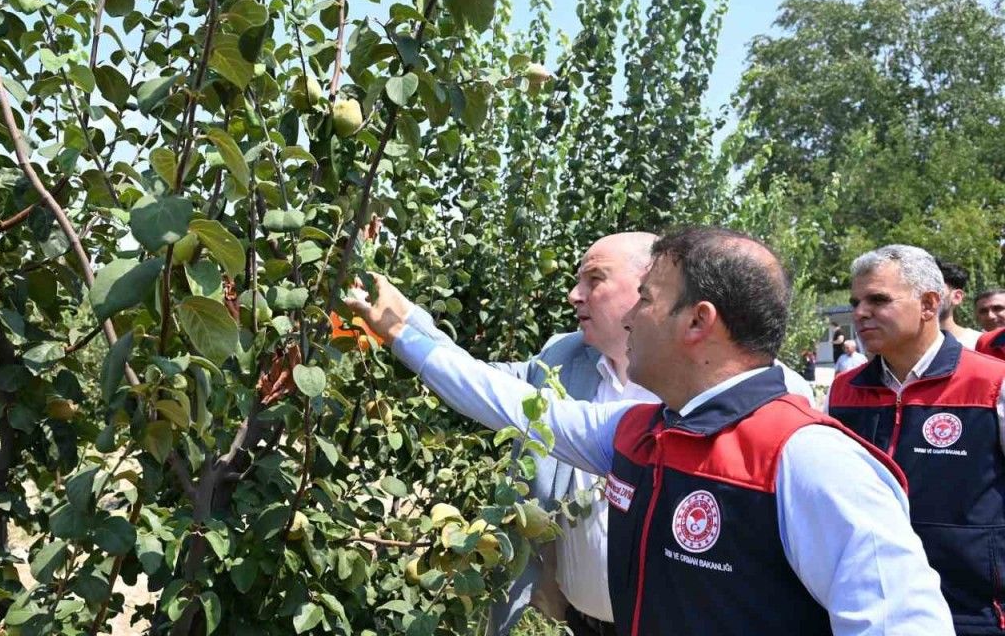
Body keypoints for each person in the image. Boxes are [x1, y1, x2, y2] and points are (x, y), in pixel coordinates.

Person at [348, 226, 951, 636]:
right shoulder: (637, 432)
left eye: (647, 299)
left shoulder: (810, 460)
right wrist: (402, 330)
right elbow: (508, 402)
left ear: (697, 322)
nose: (633, 315)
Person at [482, 231, 660, 636]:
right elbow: (488, 381)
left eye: (594, 279)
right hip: (583, 623)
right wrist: (402, 334)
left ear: (650, 286)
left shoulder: (694, 382)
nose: (574, 295)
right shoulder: (566, 356)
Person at [828, 244, 1005, 634]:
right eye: (856, 302)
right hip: (873, 609)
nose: (860, 313)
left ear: (928, 305)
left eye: (878, 300)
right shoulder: (842, 391)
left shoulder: (993, 383)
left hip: (974, 612)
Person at [935, 258, 982, 348]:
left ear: (957, 297)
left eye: (935, 289)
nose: (926, 295)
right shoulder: (907, 347)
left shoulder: (979, 344)